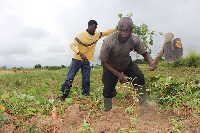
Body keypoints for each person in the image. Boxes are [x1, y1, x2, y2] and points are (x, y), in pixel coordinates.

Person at [98, 17, 157, 112]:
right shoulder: (109, 41)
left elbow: (145, 53)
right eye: (121, 30)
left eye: (127, 30)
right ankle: (107, 110)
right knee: (108, 88)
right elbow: (103, 61)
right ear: (118, 28)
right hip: (110, 66)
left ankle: (143, 101)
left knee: (139, 77)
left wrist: (151, 62)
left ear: (132, 30)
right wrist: (118, 75)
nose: (124, 33)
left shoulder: (135, 39)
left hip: (126, 63)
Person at [60, 20, 116, 101]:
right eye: (93, 28)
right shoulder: (81, 35)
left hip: (86, 61)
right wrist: (80, 53)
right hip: (77, 60)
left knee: (86, 79)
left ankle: (85, 96)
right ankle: (63, 95)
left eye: (96, 28)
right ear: (89, 26)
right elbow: (72, 45)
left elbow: (107, 32)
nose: (94, 30)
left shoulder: (96, 35)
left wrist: (117, 27)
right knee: (70, 77)